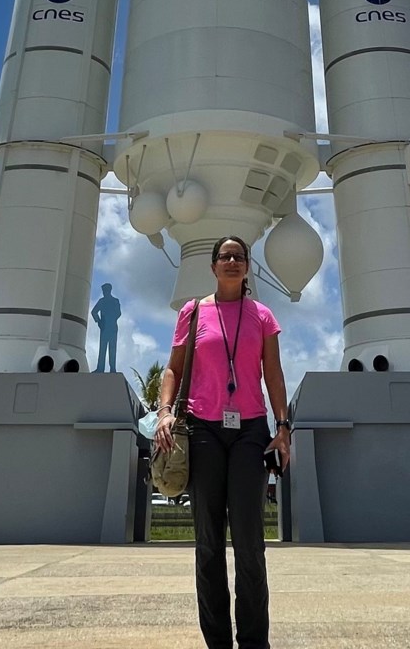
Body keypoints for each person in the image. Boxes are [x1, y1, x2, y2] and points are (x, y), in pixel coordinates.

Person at [155, 235, 292, 649]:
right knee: (209, 543)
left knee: (250, 543)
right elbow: (173, 369)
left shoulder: (263, 316)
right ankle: (217, 642)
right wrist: (164, 412)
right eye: (225, 256)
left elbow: (273, 374)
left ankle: (253, 642)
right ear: (213, 267)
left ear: (247, 267)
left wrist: (283, 427)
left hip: (251, 430)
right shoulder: (193, 312)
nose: (232, 261)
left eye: (239, 256)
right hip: (203, 430)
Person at [91, 282, 122, 372]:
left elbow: (119, 313)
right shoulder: (102, 301)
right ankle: (100, 368)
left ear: (109, 290)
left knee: (112, 348)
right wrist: (99, 321)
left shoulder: (115, 301)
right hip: (104, 327)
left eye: (106, 290)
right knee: (103, 348)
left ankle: (112, 368)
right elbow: (94, 312)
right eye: (104, 291)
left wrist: (112, 319)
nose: (105, 292)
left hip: (112, 326)